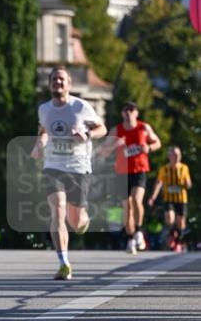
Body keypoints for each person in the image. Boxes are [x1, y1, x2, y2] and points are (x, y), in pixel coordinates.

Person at [31, 66, 107, 280]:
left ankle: (84, 220)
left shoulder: (80, 107)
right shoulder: (44, 109)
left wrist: (87, 134)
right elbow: (43, 130)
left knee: (76, 221)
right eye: (55, 79)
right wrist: (39, 144)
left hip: (78, 167)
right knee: (58, 209)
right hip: (53, 166)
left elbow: (102, 128)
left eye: (62, 80)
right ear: (50, 83)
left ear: (69, 84)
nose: (58, 83)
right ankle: (63, 262)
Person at [99, 102, 161, 254]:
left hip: (139, 170)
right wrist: (115, 146)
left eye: (131, 110)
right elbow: (103, 151)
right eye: (125, 110)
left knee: (136, 200)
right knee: (127, 208)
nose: (128, 113)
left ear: (136, 113)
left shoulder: (144, 128)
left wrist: (149, 147)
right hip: (121, 173)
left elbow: (157, 142)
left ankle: (138, 231)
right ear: (122, 114)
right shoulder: (116, 130)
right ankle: (131, 238)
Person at [147, 146, 192, 250]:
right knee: (170, 218)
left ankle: (179, 240)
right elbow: (158, 183)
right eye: (175, 154)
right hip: (168, 198)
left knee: (181, 221)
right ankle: (173, 234)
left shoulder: (184, 168)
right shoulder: (164, 169)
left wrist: (188, 184)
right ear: (169, 156)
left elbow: (188, 183)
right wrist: (153, 197)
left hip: (182, 199)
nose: (177, 157)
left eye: (179, 154)